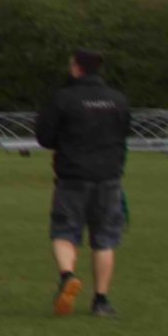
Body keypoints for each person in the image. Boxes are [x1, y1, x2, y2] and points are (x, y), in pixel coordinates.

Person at [37, 49, 129, 318]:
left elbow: (44, 136)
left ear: (77, 68)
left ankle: (67, 276)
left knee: (64, 231)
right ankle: (101, 299)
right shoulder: (118, 100)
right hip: (109, 177)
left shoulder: (63, 98)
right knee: (105, 239)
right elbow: (124, 132)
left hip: (73, 176)